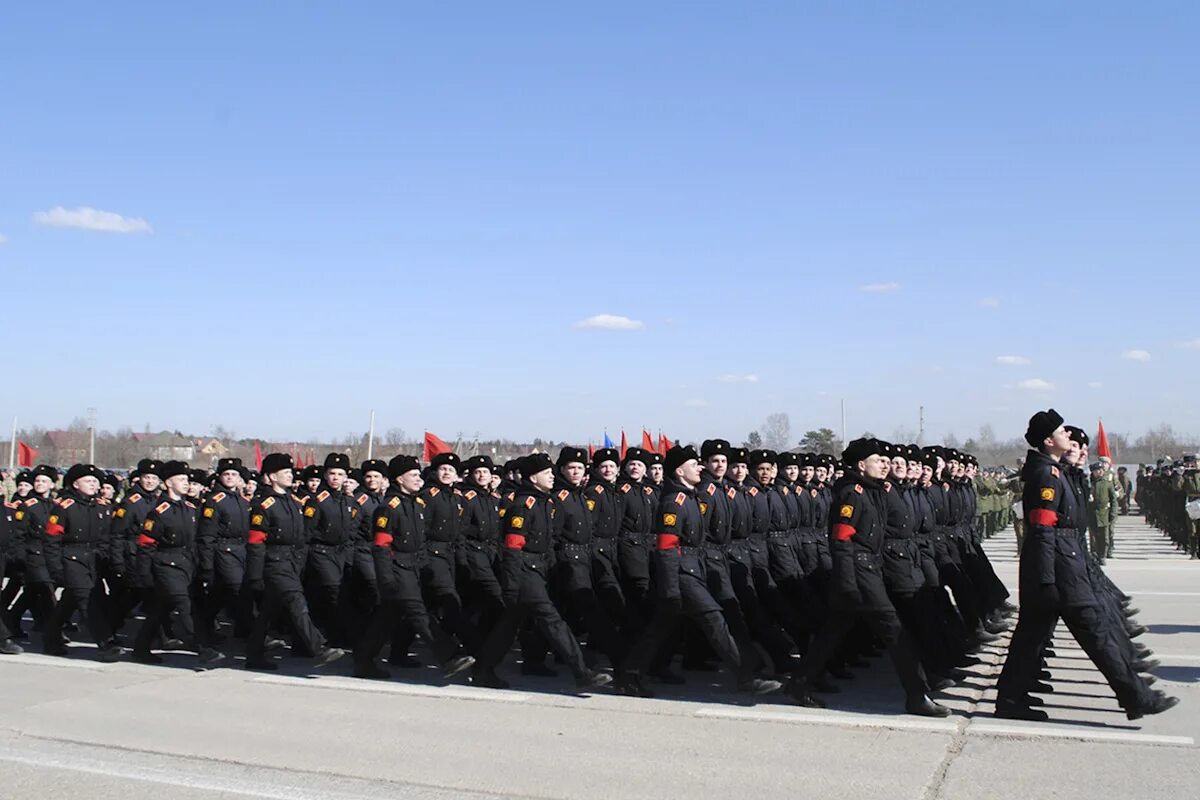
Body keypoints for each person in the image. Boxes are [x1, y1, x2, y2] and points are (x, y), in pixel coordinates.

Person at [994, 409, 1177, 721]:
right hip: (1059, 567)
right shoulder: (1045, 475)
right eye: (1063, 432)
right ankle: (1137, 696)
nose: (1069, 436)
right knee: (1094, 628)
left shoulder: (1055, 471)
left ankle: (1011, 700)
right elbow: (1042, 530)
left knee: (1031, 638)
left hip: (1062, 561)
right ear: (1049, 440)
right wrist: (1047, 579)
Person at [786, 438, 949, 717]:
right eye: (877, 460)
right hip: (859, 572)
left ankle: (800, 683)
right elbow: (842, 541)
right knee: (894, 630)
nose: (884, 465)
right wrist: (848, 582)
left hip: (868, 568)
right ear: (862, 465)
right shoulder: (852, 493)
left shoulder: (873, 490)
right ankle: (916, 694)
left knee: (832, 632)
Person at [617, 445, 781, 698]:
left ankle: (630, 674)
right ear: (680, 471)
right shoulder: (674, 503)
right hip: (682, 572)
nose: (700, 468)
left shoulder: (691, 497)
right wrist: (671, 587)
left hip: (694, 568)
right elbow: (667, 548)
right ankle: (745, 677)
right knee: (714, 618)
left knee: (661, 627)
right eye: (695, 465)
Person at [472, 452, 612, 691]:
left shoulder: (545, 502)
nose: (552, 477)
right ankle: (581, 672)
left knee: (510, 623)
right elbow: (513, 547)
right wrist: (512, 583)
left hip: (539, 568)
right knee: (551, 619)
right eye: (547, 473)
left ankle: (483, 669)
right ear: (533, 477)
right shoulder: (522, 505)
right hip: (525, 569)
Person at [354, 454, 475, 680]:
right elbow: (381, 547)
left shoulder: (416, 503)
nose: (419, 479)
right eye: (413, 475)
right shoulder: (389, 507)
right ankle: (448, 655)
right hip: (396, 567)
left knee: (387, 616)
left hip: (414, 567)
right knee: (418, 612)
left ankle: (363, 659)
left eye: (419, 474)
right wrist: (386, 579)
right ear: (400, 479)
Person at [244, 453, 344, 670]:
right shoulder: (264, 505)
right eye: (285, 472)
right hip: (274, 561)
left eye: (290, 472)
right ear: (271, 476)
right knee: (296, 602)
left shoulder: (292, 501)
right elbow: (256, 542)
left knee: (268, 612)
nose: (290, 475)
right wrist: (254, 575)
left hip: (292, 561)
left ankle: (253, 655)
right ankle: (318, 648)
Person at [132, 461, 226, 667]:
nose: (186, 483)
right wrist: (144, 574)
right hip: (166, 564)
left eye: (187, 479)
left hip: (187, 564)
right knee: (184, 604)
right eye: (181, 479)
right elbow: (146, 545)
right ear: (168, 483)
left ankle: (140, 647)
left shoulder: (190, 508)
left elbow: (195, 540)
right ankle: (203, 649)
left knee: (160, 608)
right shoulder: (159, 512)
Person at [40, 464, 122, 661]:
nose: (93, 484)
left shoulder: (101, 506)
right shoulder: (64, 507)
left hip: (93, 559)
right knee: (87, 601)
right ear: (76, 484)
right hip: (72, 558)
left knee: (69, 602)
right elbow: (51, 540)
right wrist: (56, 567)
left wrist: (105, 557)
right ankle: (105, 643)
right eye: (88, 480)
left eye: (95, 481)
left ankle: (50, 638)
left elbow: (105, 537)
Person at [1088, 461, 1117, 564]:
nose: (1099, 472)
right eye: (1097, 471)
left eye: (1100, 470)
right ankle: (1094, 555)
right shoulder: (1089, 483)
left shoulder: (1107, 484)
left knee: (1104, 538)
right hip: (1091, 514)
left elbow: (1113, 500)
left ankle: (1102, 555)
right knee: (1093, 538)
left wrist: (1113, 513)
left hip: (1104, 514)